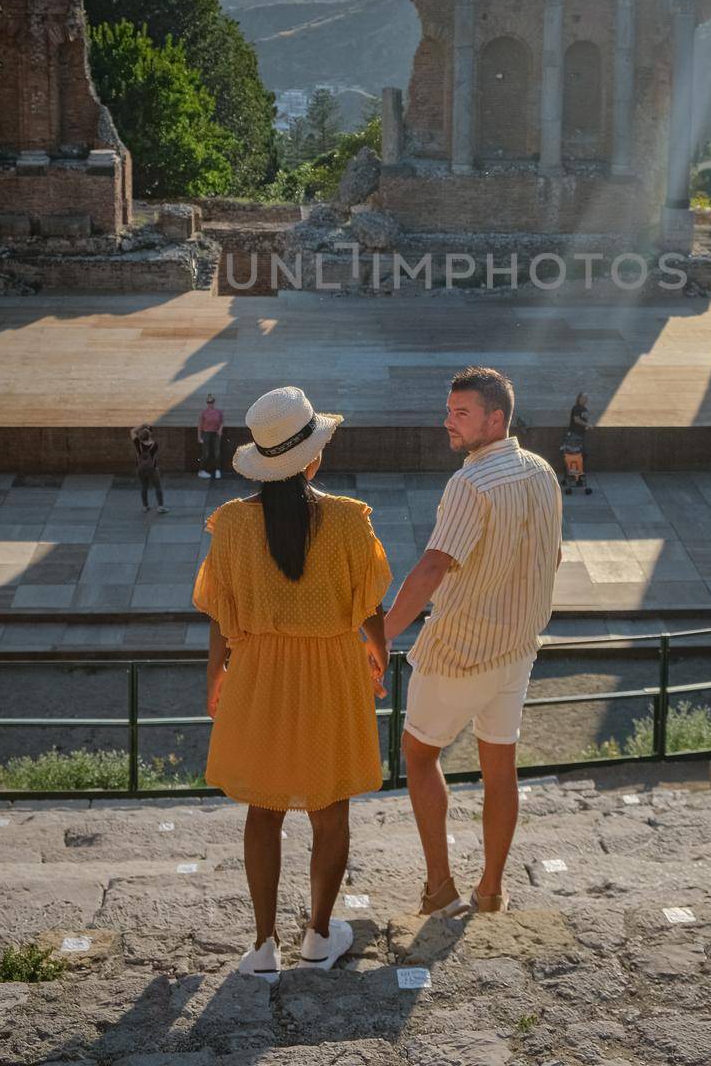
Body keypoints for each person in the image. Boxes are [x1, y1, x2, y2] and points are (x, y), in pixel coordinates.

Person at [193, 385, 390, 983]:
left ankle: (261, 945)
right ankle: (320, 935)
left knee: (264, 807)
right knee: (330, 809)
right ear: (313, 457)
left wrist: (216, 676)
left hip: (257, 674)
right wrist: (379, 657)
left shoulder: (229, 525)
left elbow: (219, 613)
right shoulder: (351, 521)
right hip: (330, 670)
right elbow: (371, 604)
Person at [384, 366, 563, 917]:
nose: (449, 423)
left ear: (496, 418)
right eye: (449, 412)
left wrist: (379, 636)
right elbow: (553, 557)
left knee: (418, 754)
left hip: (460, 651)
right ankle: (491, 891)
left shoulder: (470, 483)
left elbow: (433, 567)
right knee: (499, 768)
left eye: (462, 414)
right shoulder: (542, 471)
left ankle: (440, 888)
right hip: (518, 650)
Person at [130, 423, 167, 514]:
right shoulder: (154, 445)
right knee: (157, 487)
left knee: (144, 487)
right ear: (149, 436)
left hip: (140, 469)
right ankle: (160, 507)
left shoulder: (138, 444)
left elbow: (132, 431)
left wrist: (142, 425)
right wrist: (148, 429)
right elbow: (150, 437)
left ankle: (145, 506)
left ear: (140, 437)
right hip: (152, 469)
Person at [197, 392, 225, 480]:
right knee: (206, 453)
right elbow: (200, 425)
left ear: (213, 403)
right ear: (207, 403)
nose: (210, 404)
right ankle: (201, 471)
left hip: (216, 434)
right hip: (206, 433)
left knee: (217, 453)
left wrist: (220, 429)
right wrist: (199, 437)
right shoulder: (204, 413)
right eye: (208, 402)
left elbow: (222, 422)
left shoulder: (218, 412)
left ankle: (218, 470)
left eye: (211, 402)